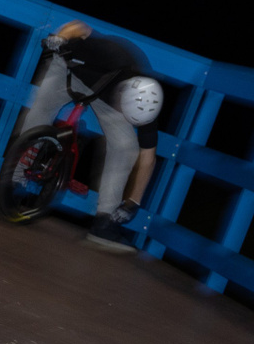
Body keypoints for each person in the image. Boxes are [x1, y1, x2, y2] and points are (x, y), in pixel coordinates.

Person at [17, 22, 164, 251]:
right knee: (40, 111)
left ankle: (104, 222)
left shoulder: (148, 103)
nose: (125, 117)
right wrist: (60, 37)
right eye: (125, 112)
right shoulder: (111, 54)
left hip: (104, 96)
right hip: (70, 69)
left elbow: (148, 157)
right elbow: (80, 27)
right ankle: (15, 177)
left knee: (126, 147)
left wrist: (132, 202)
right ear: (122, 96)